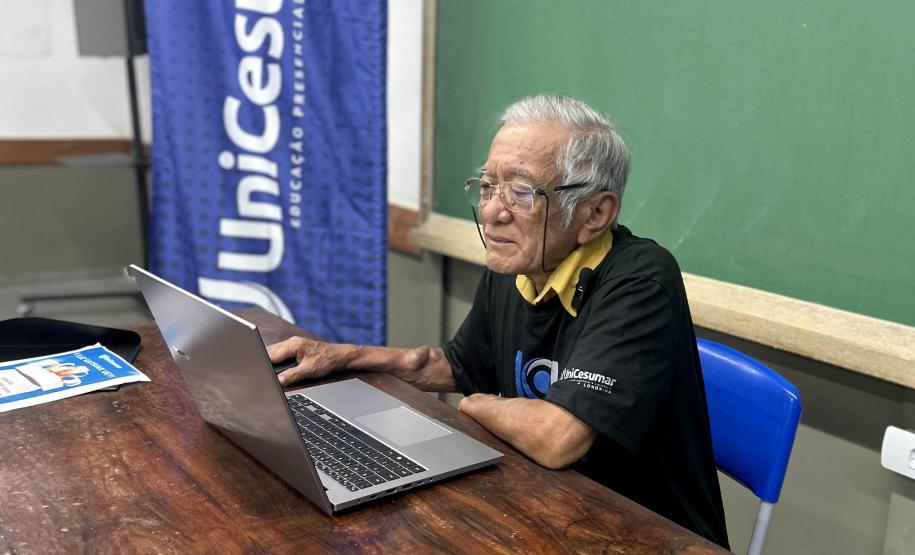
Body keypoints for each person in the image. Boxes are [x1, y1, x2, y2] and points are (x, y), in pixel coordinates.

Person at [268, 94, 729, 548]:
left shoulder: (640, 280)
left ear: (595, 214)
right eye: (488, 186)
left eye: (522, 191)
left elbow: (557, 437)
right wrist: (345, 356)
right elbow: (454, 364)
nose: (491, 211)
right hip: (547, 508)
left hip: (644, 533)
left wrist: (474, 406)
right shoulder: (522, 265)